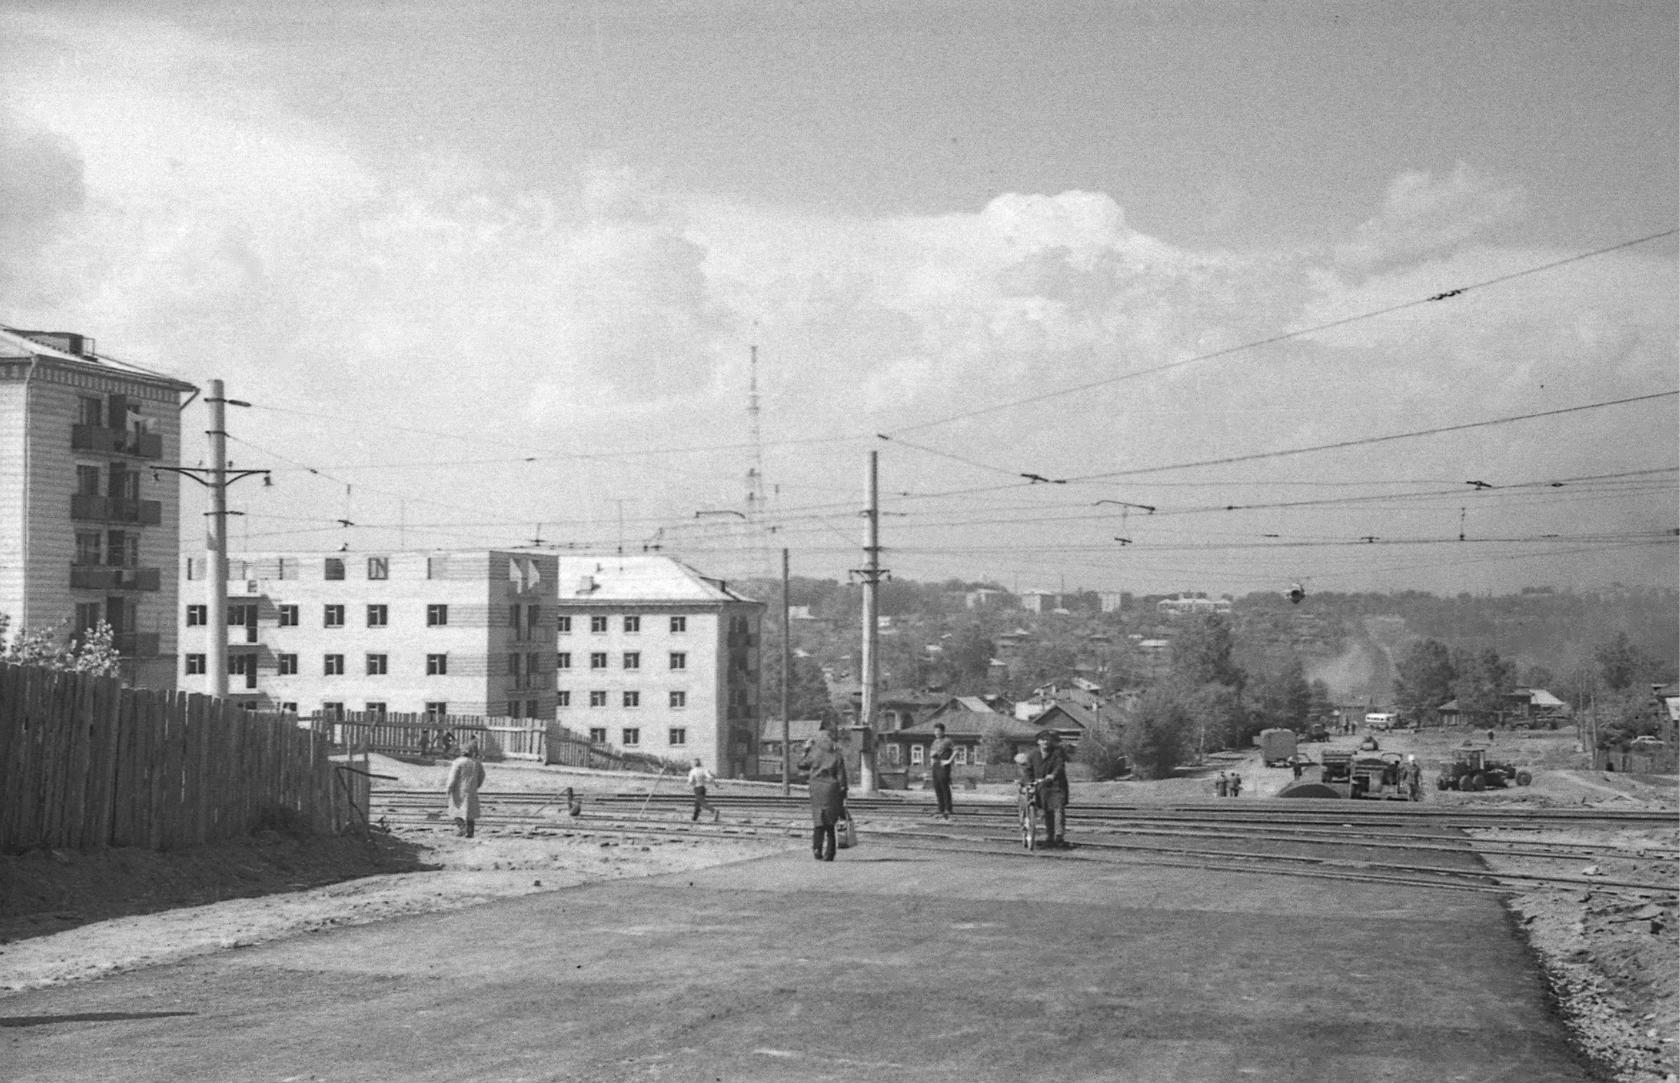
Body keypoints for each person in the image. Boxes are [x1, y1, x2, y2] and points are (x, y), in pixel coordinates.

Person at [797, 729, 849, 861]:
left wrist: (806, 750)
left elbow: (801, 765)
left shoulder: (814, 754)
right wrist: (843, 794)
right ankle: (829, 853)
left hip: (816, 789)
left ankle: (817, 849)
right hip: (831, 791)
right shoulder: (837, 756)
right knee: (830, 823)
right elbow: (842, 778)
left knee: (818, 821)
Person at [1021, 729, 1070, 848]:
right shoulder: (1033, 755)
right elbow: (1028, 770)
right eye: (1043, 740)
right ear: (1038, 742)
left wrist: (1053, 775)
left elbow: (1059, 766)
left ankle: (1059, 835)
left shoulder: (1057, 753)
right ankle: (1049, 836)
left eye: (1048, 740)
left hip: (1056, 785)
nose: (1045, 742)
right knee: (1047, 811)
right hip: (1041, 787)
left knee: (1058, 809)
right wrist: (1028, 782)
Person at [444, 741, 485, 838]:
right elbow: (482, 776)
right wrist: (477, 785)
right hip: (471, 790)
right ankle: (470, 832)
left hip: (458, 791)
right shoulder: (477, 763)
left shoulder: (458, 762)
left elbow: (452, 777)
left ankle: (462, 828)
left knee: (455, 810)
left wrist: (449, 789)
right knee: (470, 813)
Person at [928, 722, 956, 822]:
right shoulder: (935, 742)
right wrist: (932, 763)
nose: (936, 733)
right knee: (937, 786)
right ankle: (941, 808)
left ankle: (948, 808)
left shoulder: (947, 740)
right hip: (935, 765)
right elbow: (931, 753)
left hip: (944, 765)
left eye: (938, 731)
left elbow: (956, 750)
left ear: (943, 731)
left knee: (944, 786)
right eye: (935, 731)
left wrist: (949, 761)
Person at [687, 757, 720, 822]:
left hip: (697, 788)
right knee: (697, 803)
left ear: (694, 764)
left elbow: (690, 781)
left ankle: (714, 811)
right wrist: (715, 784)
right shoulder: (703, 770)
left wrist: (690, 784)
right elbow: (710, 777)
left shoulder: (693, 771)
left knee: (702, 803)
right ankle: (694, 818)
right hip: (703, 788)